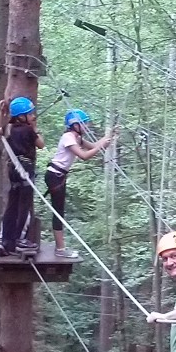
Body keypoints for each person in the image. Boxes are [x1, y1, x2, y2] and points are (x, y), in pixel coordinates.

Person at [43, 109, 118, 258]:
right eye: (84, 123)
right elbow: (84, 155)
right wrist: (101, 147)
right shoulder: (68, 137)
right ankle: (60, 249)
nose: (87, 126)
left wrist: (110, 135)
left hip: (59, 176)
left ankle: (60, 247)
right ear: (75, 125)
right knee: (58, 212)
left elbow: (94, 146)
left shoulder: (77, 138)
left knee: (60, 211)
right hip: (55, 176)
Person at [0, 96, 44, 257]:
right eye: (30, 114)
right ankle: (18, 240)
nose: (32, 116)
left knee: (12, 205)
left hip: (13, 169)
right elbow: (41, 144)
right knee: (24, 205)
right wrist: (35, 128)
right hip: (25, 168)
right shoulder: (28, 130)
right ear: (21, 116)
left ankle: (5, 241)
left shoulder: (9, 128)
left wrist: (2, 113)